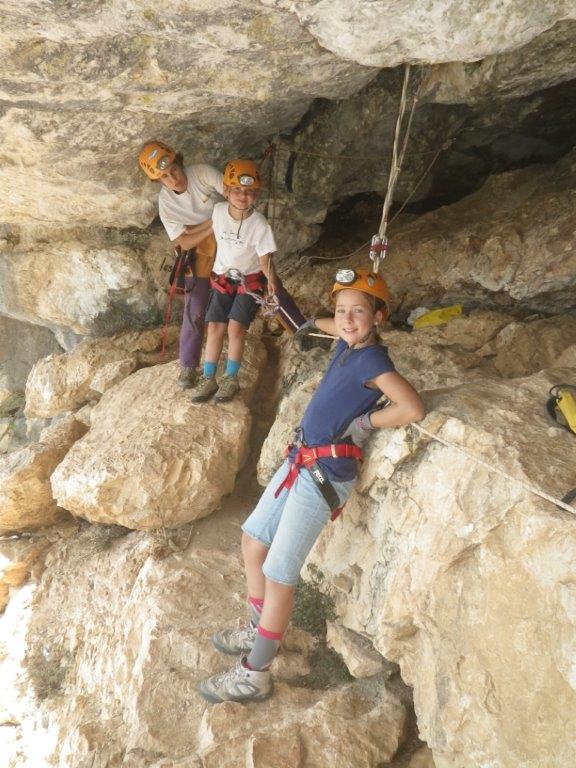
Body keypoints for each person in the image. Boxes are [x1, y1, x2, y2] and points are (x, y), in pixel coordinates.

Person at [196, 268, 425, 703]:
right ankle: (260, 631)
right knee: (251, 541)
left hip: (322, 476)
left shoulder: (374, 361)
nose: (347, 319)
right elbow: (330, 326)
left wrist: (366, 421)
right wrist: (307, 322)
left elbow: (412, 407)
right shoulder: (345, 341)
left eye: (358, 312)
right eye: (341, 311)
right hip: (300, 460)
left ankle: (256, 673)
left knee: (278, 573)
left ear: (378, 316)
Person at [190, 158, 279, 404]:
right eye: (237, 190)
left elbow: (265, 259)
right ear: (226, 191)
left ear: (256, 194)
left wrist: (271, 284)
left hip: (247, 282)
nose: (243, 196)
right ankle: (208, 377)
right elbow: (209, 232)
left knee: (235, 328)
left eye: (249, 192)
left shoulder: (260, 224)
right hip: (222, 278)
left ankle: (231, 377)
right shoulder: (218, 212)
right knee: (215, 327)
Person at [138, 141, 224, 389]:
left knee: (254, 282)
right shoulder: (166, 203)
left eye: (173, 169)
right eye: (164, 177)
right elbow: (183, 243)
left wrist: (199, 228)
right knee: (194, 307)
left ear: (179, 162)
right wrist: (212, 223)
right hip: (199, 250)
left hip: (228, 237)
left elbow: (232, 196)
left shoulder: (202, 174)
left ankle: (297, 325)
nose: (172, 178)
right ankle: (188, 366)